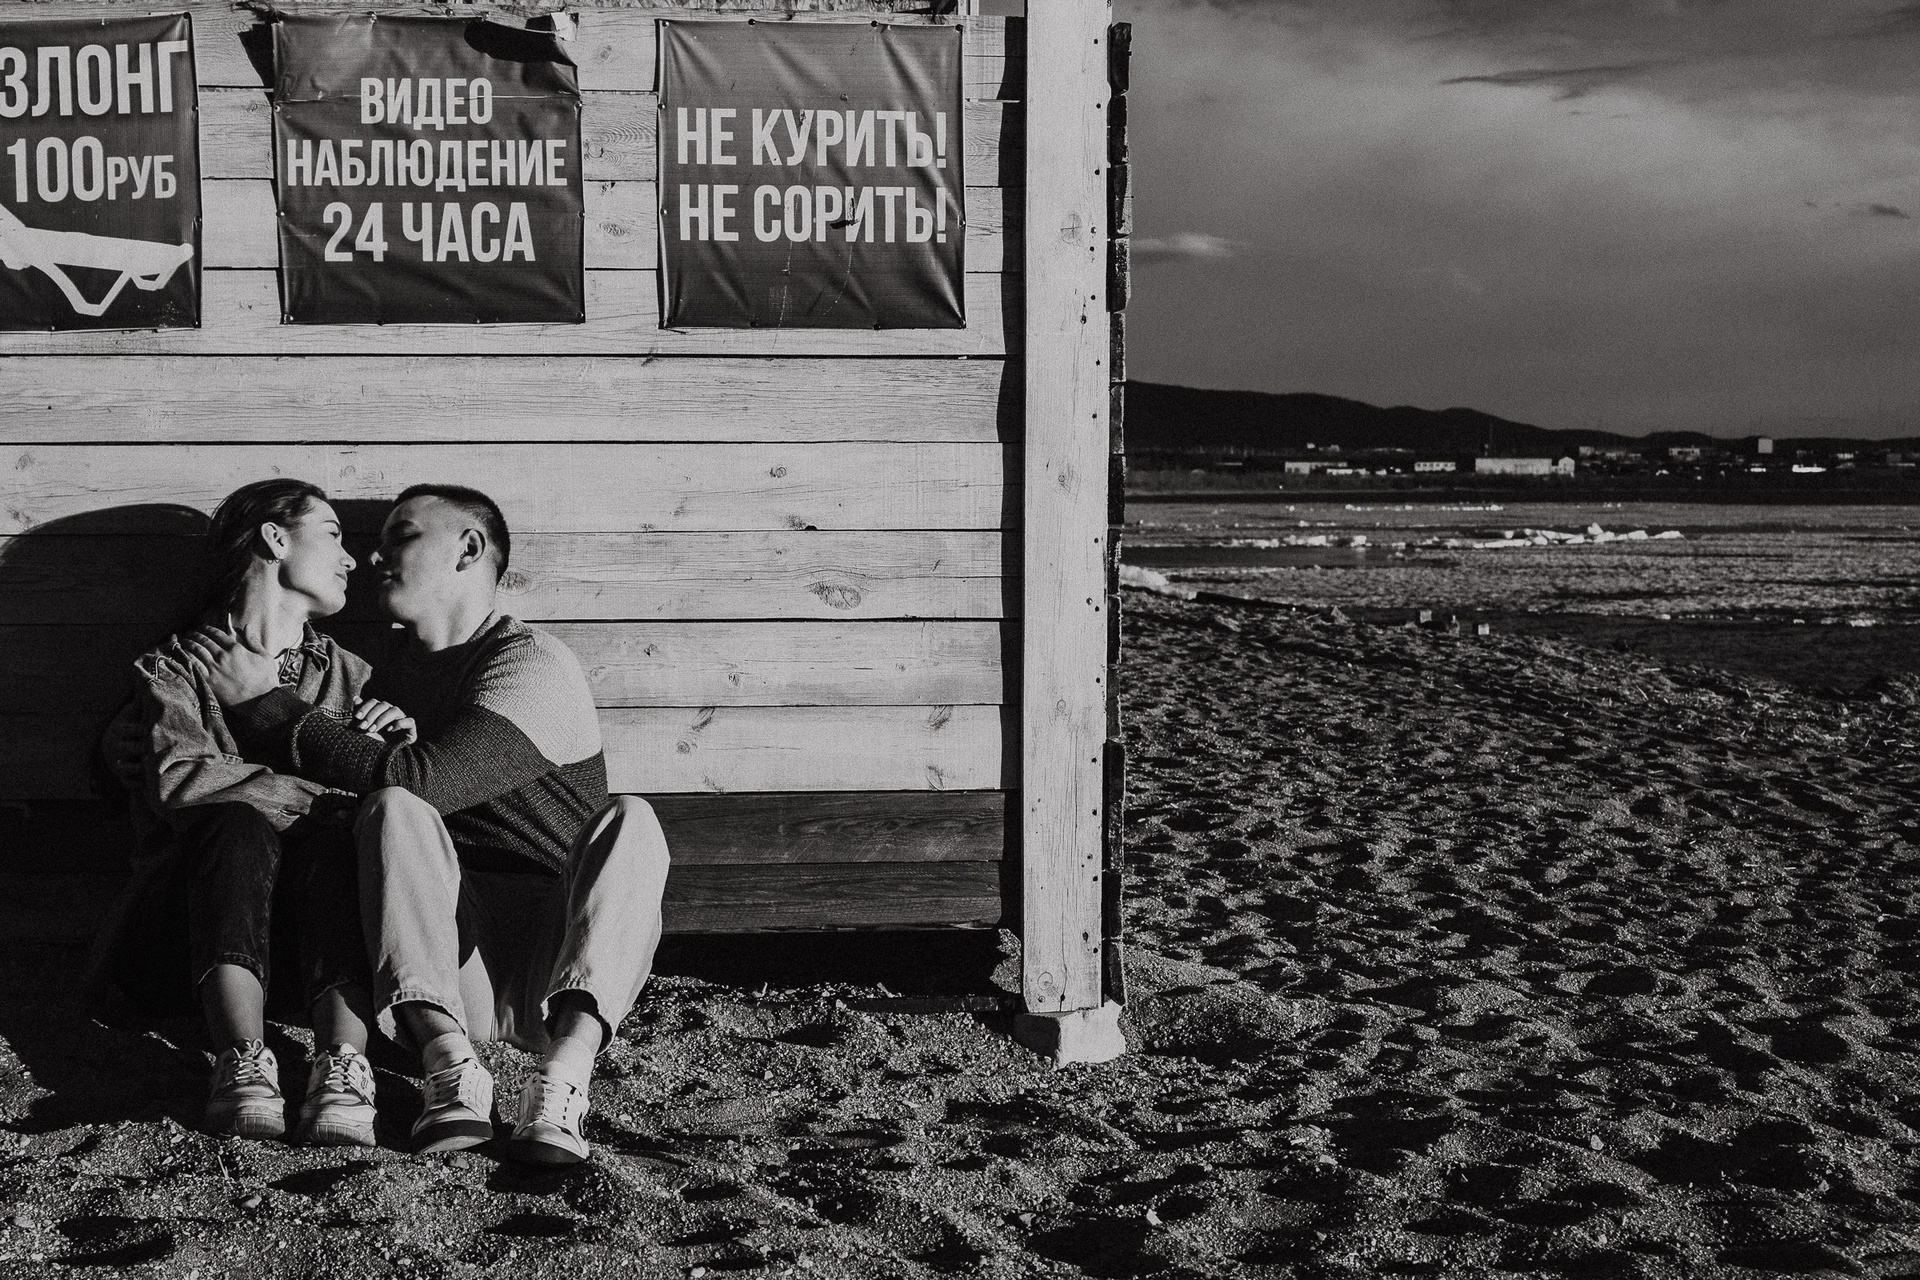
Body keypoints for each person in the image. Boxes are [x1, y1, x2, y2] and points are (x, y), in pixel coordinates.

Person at [181, 484, 672, 1165]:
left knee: (633, 820)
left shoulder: (530, 663)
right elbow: (379, 785)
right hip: (443, 962)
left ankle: (564, 1079)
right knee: (392, 808)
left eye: (402, 536)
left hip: (552, 963)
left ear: (468, 549)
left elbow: (425, 779)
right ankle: (449, 1069)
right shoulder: (380, 670)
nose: (373, 555)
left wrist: (267, 705)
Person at [102, 479, 395, 1146]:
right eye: (333, 535)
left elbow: (389, 797)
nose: (352, 559)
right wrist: (327, 800)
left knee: (334, 846)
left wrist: (388, 745)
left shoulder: (352, 676)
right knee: (238, 824)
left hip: (313, 953)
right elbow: (183, 780)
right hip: (188, 946)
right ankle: (242, 1061)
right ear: (275, 537)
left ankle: (342, 1066)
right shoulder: (177, 665)